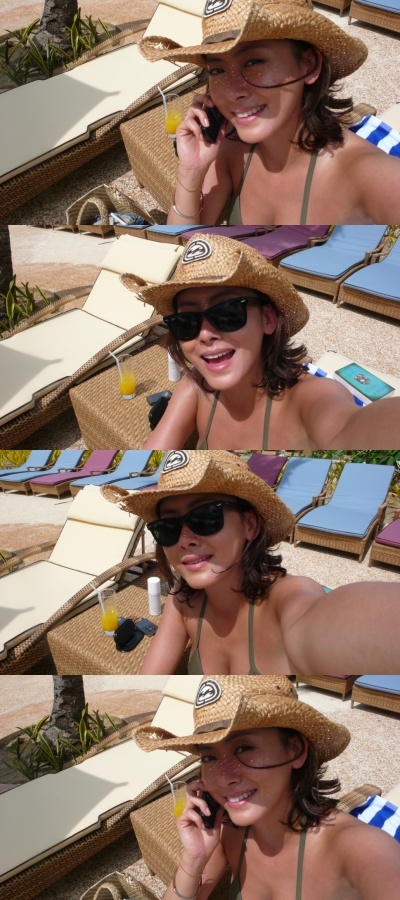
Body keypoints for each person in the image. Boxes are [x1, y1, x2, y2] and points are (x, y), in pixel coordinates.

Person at [103, 450, 400, 674]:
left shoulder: (286, 598)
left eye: (205, 517)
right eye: (167, 527)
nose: (184, 540)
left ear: (249, 525)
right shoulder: (183, 601)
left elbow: (329, 620)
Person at [121, 232, 400, 450]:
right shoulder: (196, 386)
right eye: (186, 322)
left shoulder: (309, 398)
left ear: (268, 319)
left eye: (227, 313)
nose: (204, 334)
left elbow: (348, 427)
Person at [133, 675, 400, 899]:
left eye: (244, 748)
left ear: (296, 750)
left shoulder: (363, 851)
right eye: (209, 757)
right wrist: (194, 859)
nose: (224, 779)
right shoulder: (230, 834)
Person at [139, 0, 400, 225]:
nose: (231, 92)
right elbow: (184, 243)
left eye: (254, 62)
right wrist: (191, 171)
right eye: (217, 70)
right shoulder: (230, 148)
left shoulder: (370, 176)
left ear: (309, 65)